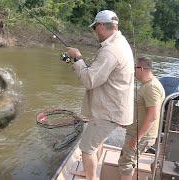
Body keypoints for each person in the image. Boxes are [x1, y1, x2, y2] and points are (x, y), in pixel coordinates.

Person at [66, 10, 134, 180]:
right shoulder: (121, 42)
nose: (94, 31)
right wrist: (82, 65)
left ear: (102, 26)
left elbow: (89, 80)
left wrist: (77, 58)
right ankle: (88, 172)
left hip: (108, 112)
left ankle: (91, 177)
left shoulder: (110, 50)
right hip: (113, 108)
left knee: (86, 148)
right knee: (96, 142)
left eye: (95, 27)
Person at [118, 57, 165, 180]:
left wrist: (137, 137)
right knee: (126, 161)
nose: (133, 71)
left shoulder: (151, 87)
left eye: (135, 68)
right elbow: (143, 111)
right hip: (136, 132)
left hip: (141, 136)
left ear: (142, 68)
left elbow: (153, 116)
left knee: (126, 164)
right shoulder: (147, 85)